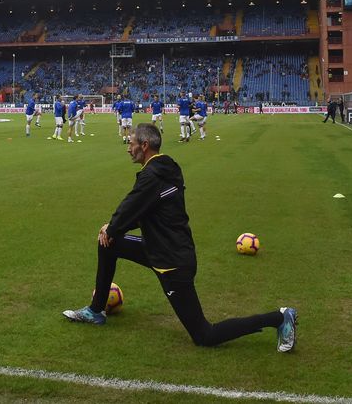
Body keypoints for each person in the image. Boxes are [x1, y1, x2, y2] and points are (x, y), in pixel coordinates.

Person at [62, 123, 297, 351]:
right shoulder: (169, 169)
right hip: (160, 248)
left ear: (144, 146)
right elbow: (145, 209)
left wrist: (112, 227)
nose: (127, 147)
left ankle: (278, 317)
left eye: (130, 143)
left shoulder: (151, 176)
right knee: (108, 245)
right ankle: (96, 311)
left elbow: (130, 206)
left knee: (205, 335)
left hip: (172, 262)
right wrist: (112, 230)